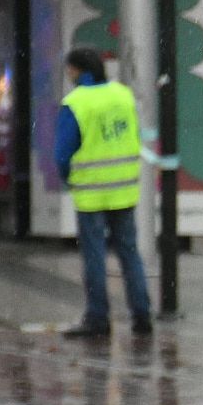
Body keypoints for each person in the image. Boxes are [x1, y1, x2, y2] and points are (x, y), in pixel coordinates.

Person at [55, 46, 152, 339]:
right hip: (124, 188)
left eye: (69, 69)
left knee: (94, 256)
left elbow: (63, 153)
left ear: (77, 70)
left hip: (91, 192)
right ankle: (142, 315)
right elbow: (134, 135)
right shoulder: (123, 95)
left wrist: (68, 178)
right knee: (129, 253)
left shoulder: (76, 102)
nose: (68, 74)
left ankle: (98, 318)